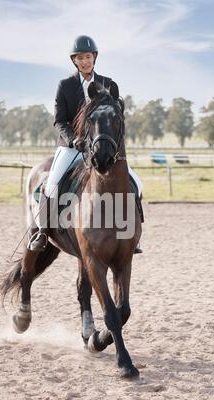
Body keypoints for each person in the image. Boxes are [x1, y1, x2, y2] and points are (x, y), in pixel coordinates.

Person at [28, 35, 143, 253]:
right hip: (72, 148)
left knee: (135, 182)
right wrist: (74, 139)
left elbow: (117, 114)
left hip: (102, 149)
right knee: (51, 184)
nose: (84, 61)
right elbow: (59, 120)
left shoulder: (108, 84)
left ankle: (133, 235)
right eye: (80, 58)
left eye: (88, 57)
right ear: (74, 61)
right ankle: (42, 232)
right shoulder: (66, 86)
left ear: (94, 58)